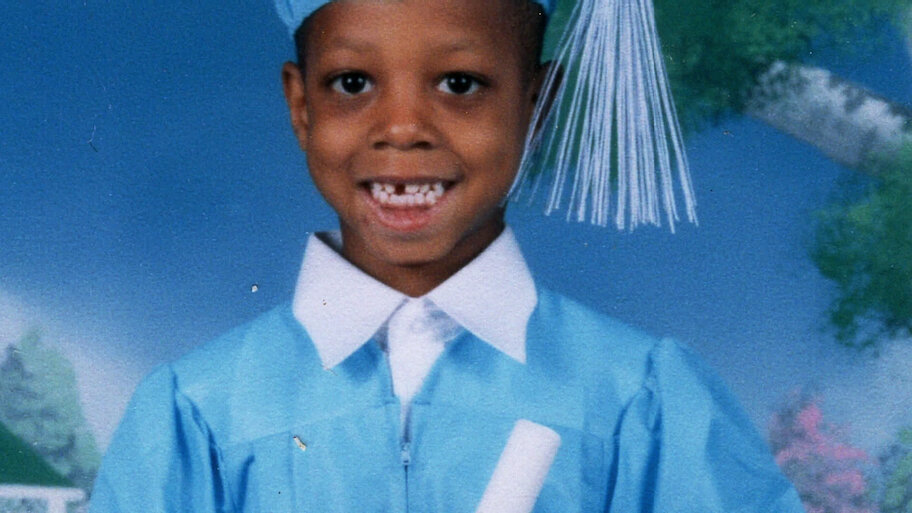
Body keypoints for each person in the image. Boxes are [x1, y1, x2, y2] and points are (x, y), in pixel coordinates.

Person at [89, 0, 804, 511]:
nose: (403, 128)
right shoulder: (198, 413)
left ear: (536, 105)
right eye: (352, 83)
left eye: (460, 84)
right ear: (301, 105)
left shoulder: (641, 401)